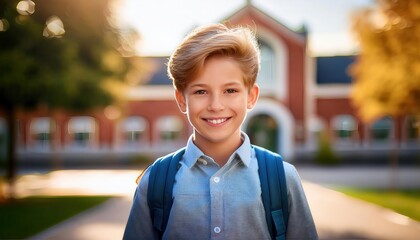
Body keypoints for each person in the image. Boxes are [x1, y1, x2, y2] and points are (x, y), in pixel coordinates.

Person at [123, 23, 317, 240]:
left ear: (251, 96)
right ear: (181, 100)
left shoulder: (283, 177)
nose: (216, 105)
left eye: (230, 90)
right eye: (201, 91)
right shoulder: (155, 181)